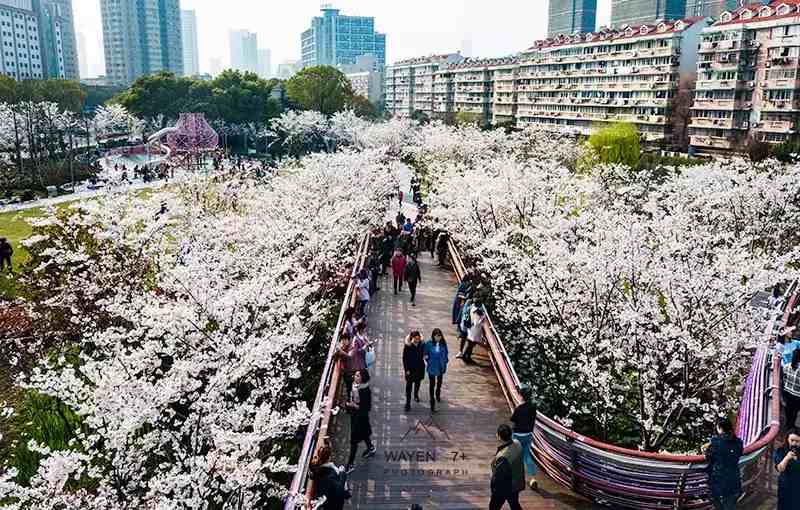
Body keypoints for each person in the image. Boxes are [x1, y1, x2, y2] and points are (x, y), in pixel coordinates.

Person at [704, 417, 743, 510]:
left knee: (719, 504)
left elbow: (709, 457)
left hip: (719, 480)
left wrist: (706, 450)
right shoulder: (738, 442)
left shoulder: (715, 442)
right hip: (734, 478)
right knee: (730, 504)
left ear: (720, 428)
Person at [345, 369, 376, 472]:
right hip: (355, 415)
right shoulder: (354, 385)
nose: (355, 377)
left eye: (358, 376)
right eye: (355, 375)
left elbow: (367, 407)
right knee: (364, 434)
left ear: (362, 378)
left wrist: (354, 405)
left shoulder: (365, 390)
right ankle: (371, 447)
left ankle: (350, 464)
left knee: (354, 440)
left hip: (360, 417)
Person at [510, 385, 539, 491]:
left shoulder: (519, 408)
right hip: (528, 435)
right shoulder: (533, 407)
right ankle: (533, 478)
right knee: (527, 456)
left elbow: (513, 419)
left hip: (517, 435)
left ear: (521, 396)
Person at [490, 424, 525, 510]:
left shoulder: (502, 457)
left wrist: (494, 490)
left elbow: (498, 478)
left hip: (505, 488)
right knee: (514, 504)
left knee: (493, 507)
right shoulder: (518, 443)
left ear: (499, 437)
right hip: (517, 483)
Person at [309, 445, 350, 510]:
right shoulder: (331, 472)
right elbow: (339, 489)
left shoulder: (319, 470)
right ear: (329, 457)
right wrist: (342, 474)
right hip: (334, 502)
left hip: (327, 500)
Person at [424, 328, 449, 413]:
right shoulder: (429, 344)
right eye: (436, 336)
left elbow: (446, 354)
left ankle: (438, 394)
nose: (438, 338)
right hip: (432, 366)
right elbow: (425, 354)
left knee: (439, 382)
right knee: (432, 384)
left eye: (439, 336)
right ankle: (432, 402)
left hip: (441, 366)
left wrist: (445, 362)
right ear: (433, 336)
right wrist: (428, 360)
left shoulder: (443, 344)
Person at [775, 428, 800, 510]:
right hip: (786, 487)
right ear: (787, 439)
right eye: (792, 440)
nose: (794, 443)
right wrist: (786, 458)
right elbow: (780, 469)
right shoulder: (781, 451)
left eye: (797, 441)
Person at [403, 331, 425, 412]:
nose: (417, 340)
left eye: (418, 339)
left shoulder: (422, 345)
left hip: (419, 368)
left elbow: (425, 354)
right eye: (415, 339)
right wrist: (406, 370)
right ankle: (407, 403)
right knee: (408, 387)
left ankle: (416, 395)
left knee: (418, 383)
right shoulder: (407, 346)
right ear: (412, 338)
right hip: (410, 370)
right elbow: (404, 359)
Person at [784, 349, 800, 428]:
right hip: (797, 395)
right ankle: (791, 424)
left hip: (787, 392)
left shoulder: (787, 366)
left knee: (788, 408)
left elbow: (784, 377)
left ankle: (788, 423)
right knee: (795, 411)